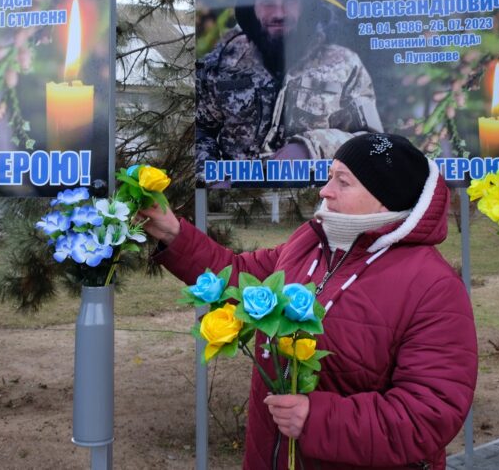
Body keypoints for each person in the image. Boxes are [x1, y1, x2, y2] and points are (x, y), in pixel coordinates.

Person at [144, 132, 477, 469]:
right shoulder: (312, 241)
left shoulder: (433, 286)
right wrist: (173, 233)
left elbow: (429, 414)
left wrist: (316, 419)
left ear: (384, 198)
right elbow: (240, 274)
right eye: (329, 176)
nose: (325, 190)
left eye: (342, 182)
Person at [195, 0, 383, 181]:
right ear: (252, 7)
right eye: (266, 1)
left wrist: (310, 147)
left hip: (319, 199)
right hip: (236, 206)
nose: (278, 12)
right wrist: (212, 178)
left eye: (291, 0)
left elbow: (372, 140)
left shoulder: (344, 64)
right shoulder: (221, 63)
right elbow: (201, 129)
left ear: (307, 5)